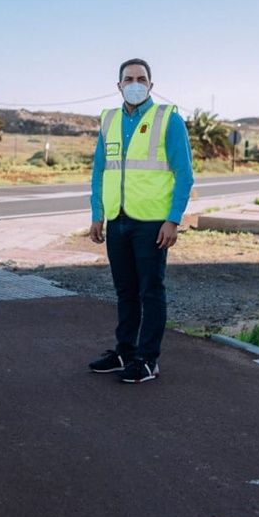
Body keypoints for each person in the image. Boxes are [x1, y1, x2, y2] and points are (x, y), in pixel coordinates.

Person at [86, 58, 194, 384]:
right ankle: (125, 352)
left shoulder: (168, 120)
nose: (135, 83)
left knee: (151, 291)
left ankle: (148, 360)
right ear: (118, 85)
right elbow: (99, 173)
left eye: (141, 78)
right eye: (129, 78)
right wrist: (97, 214)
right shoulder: (109, 121)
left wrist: (173, 220)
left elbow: (184, 176)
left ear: (151, 84)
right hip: (117, 221)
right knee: (125, 291)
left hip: (152, 224)